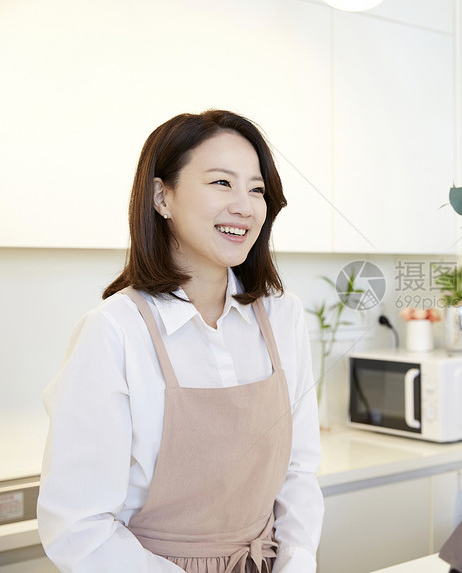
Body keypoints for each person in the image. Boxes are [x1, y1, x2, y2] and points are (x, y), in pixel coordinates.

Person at [37, 110, 324, 572]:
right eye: (221, 183)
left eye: (256, 189)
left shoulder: (282, 317)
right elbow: (78, 525)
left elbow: (298, 473)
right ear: (161, 196)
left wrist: (297, 562)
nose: (245, 206)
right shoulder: (115, 332)